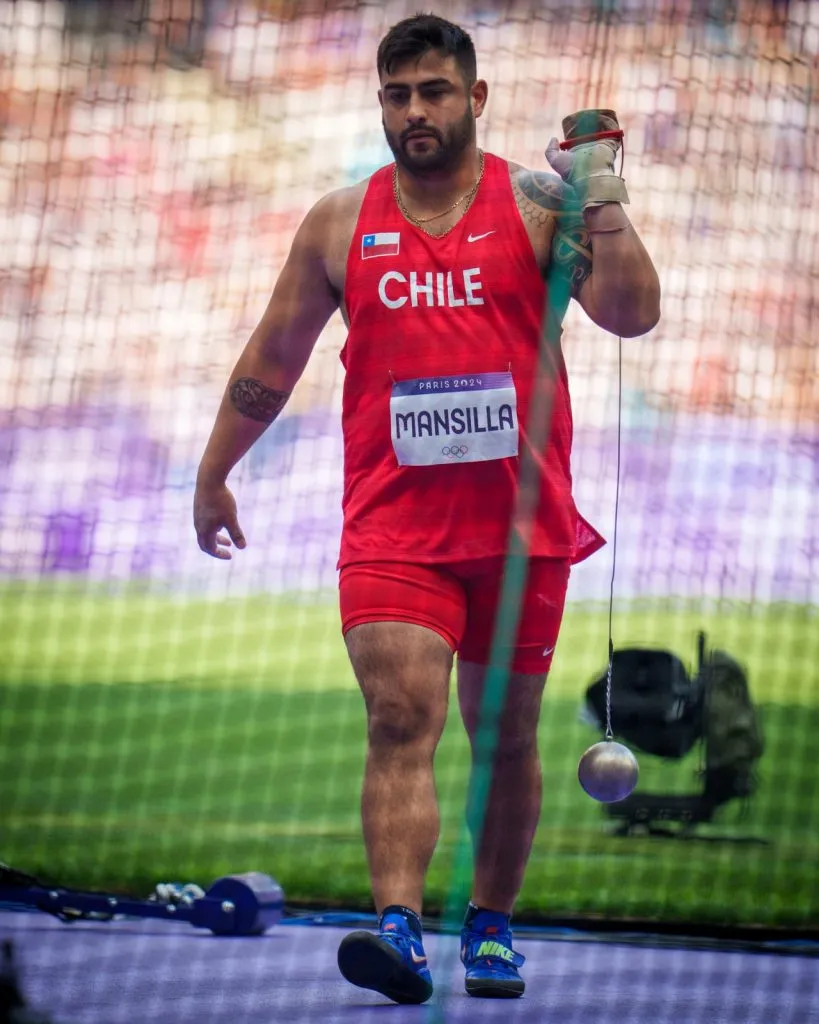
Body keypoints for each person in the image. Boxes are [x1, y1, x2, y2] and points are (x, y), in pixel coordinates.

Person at [193, 13, 660, 1005]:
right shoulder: (338, 222)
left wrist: (601, 195)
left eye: (435, 91)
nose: (416, 111)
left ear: (474, 98)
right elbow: (275, 352)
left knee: (506, 738)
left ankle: (490, 927)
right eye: (398, 95)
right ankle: (399, 928)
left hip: (520, 529)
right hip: (393, 529)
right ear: (381, 104)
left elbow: (632, 313)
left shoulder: (536, 206)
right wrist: (214, 468)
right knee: (400, 715)